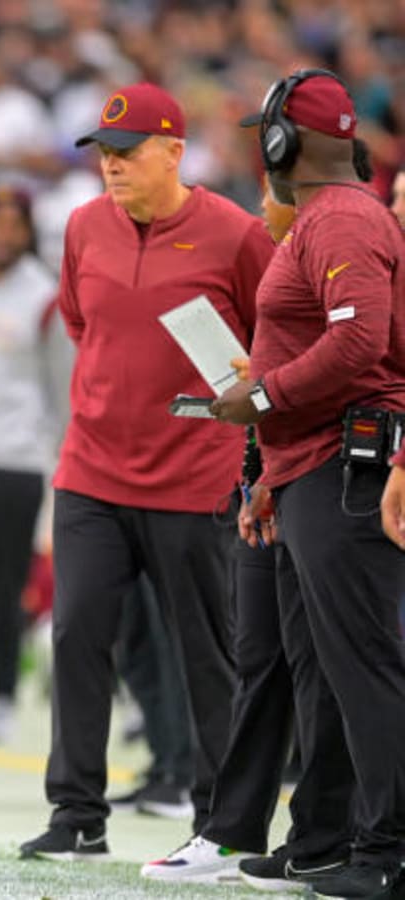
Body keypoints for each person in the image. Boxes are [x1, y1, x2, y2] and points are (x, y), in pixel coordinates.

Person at [19, 82, 274, 861]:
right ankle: (77, 813)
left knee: (206, 653)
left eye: (127, 155)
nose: (112, 169)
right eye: (103, 154)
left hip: (195, 476)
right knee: (78, 639)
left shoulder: (235, 234)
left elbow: (272, 343)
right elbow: (78, 320)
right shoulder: (83, 226)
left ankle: (220, 821)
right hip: (91, 470)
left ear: (174, 151)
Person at [213, 70, 405, 899]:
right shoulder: (325, 220)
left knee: (362, 663)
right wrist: (271, 472)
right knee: (318, 667)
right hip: (311, 468)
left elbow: (360, 344)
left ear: (287, 141)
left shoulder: (346, 219)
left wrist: (260, 398)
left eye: (267, 134)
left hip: (349, 465)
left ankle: (389, 846)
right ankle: (325, 835)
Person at [143, 182, 353, 888]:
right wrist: (259, 467)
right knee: (263, 654)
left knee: (338, 667)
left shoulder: (356, 260)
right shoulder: (299, 258)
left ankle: (341, 835)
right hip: (283, 475)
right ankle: (236, 831)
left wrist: (263, 391)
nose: (265, 198)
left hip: (343, 481)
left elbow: (353, 369)